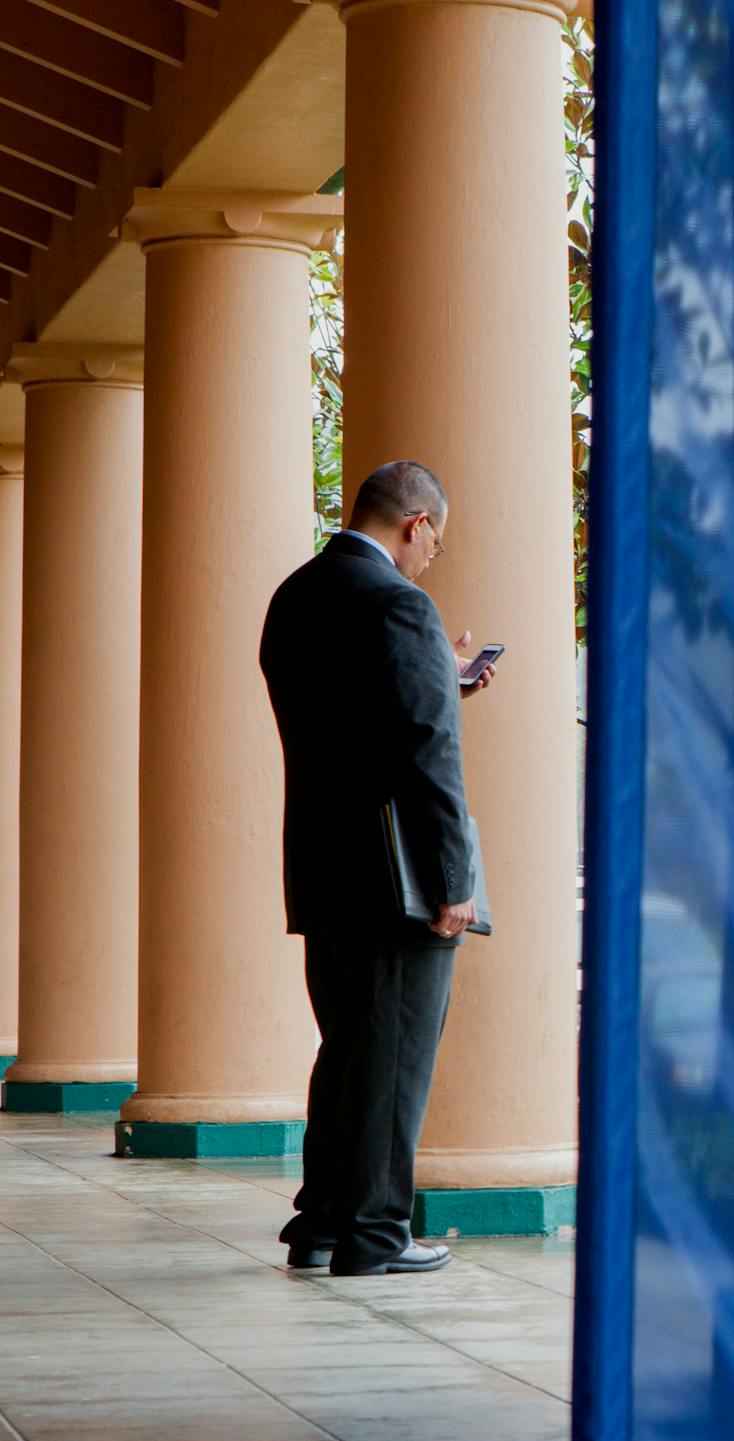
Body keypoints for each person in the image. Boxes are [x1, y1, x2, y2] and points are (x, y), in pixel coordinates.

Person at [259, 459, 496, 1276]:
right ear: (416, 524)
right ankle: (375, 1235)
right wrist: (453, 880)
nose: (433, 558)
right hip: (397, 877)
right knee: (394, 1058)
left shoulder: (294, 597)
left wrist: (441, 677)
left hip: (323, 871)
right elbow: (427, 752)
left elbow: (352, 721)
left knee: (347, 1050)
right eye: (436, 540)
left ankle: (320, 1222)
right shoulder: (400, 602)